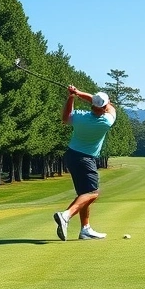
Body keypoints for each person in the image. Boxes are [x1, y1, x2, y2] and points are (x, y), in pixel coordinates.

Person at [53, 86, 116, 241]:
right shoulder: (107, 120)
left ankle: (85, 229)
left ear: (92, 106)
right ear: (105, 107)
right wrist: (79, 93)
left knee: (84, 194)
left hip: (71, 156)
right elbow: (109, 107)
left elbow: (65, 118)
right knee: (93, 193)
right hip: (86, 160)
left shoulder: (80, 118)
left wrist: (71, 97)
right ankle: (66, 215)